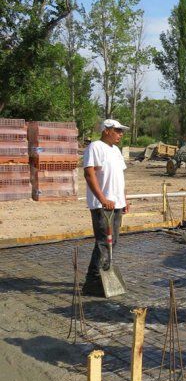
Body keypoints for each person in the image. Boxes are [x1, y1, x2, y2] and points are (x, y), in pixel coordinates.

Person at [82, 119, 130, 297]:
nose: (121, 134)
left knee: (113, 241)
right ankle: (93, 280)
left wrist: (123, 200)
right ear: (107, 130)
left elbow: (120, 177)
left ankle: (102, 274)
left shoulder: (116, 150)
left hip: (116, 204)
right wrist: (102, 199)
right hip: (102, 205)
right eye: (118, 130)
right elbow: (89, 173)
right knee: (103, 242)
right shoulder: (95, 147)